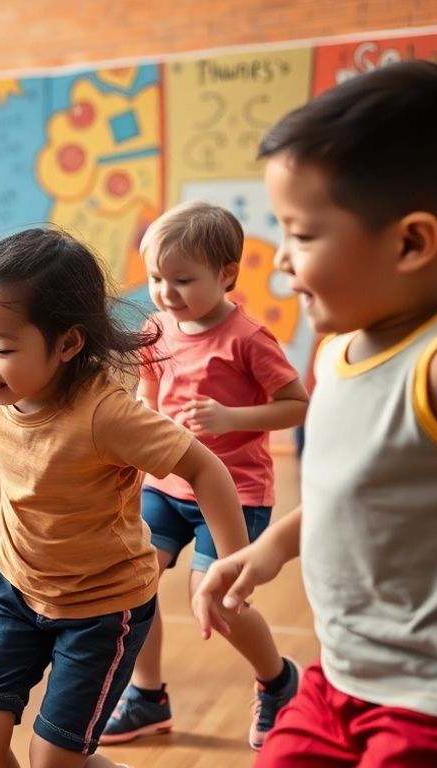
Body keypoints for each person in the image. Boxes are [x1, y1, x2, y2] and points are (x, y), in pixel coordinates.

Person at [193, 61, 437, 767]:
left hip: (433, 700)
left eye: (304, 234)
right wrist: (268, 549)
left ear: (412, 243)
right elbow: (351, 491)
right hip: (338, 677)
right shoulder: (337, 351)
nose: (283, 261)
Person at [0, 227, 246, 768]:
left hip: (102, 609)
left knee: (54, 760)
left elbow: (206, 469)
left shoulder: (106, 415)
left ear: (67, 343)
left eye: (3, 347)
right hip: (17, 589)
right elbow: (14, 429)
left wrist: (232, 563)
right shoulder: (3, 386)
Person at [102, 201, 307, 749]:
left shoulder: (248, 338)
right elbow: (148, 399)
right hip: (166, 487)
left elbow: (296, 405)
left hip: (236, 491)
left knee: (217, 597)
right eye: (155, 279)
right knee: (131, 581)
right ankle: (147, 696)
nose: (166, 292)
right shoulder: (155, 327)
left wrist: (231, 418)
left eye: (183, 280)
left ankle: (279, 681)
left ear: (226, 275)